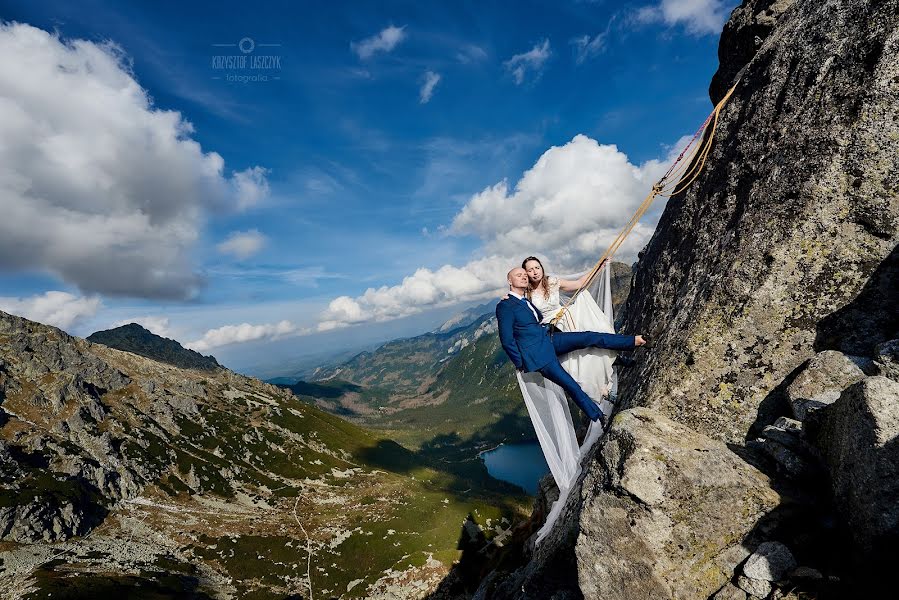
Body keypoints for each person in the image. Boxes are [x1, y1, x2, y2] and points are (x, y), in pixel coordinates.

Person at [495, 267, 646, 423]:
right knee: (571, 384)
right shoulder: (505, 305)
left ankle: (634, 341)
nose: (524, 277)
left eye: (525, 275)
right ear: (509, 281)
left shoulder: (524, 300)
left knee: (588, 337)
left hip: (549, 339)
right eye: (518, 275)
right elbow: (507, 340)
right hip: (538, 355)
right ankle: (599, 417)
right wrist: (521, 362)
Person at [521, 256, 622, 402]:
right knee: (574, 367)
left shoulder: (552, 282)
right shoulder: (525, 293)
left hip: (567, 319)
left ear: (542, 268)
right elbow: (516, 304)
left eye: (537, 268)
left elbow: (580, 284)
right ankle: (602, 391)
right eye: (530, 270)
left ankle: (611, 360)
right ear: (526, 274)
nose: (535, 272)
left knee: (589, 343)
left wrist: (598, 267)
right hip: (552, 330)